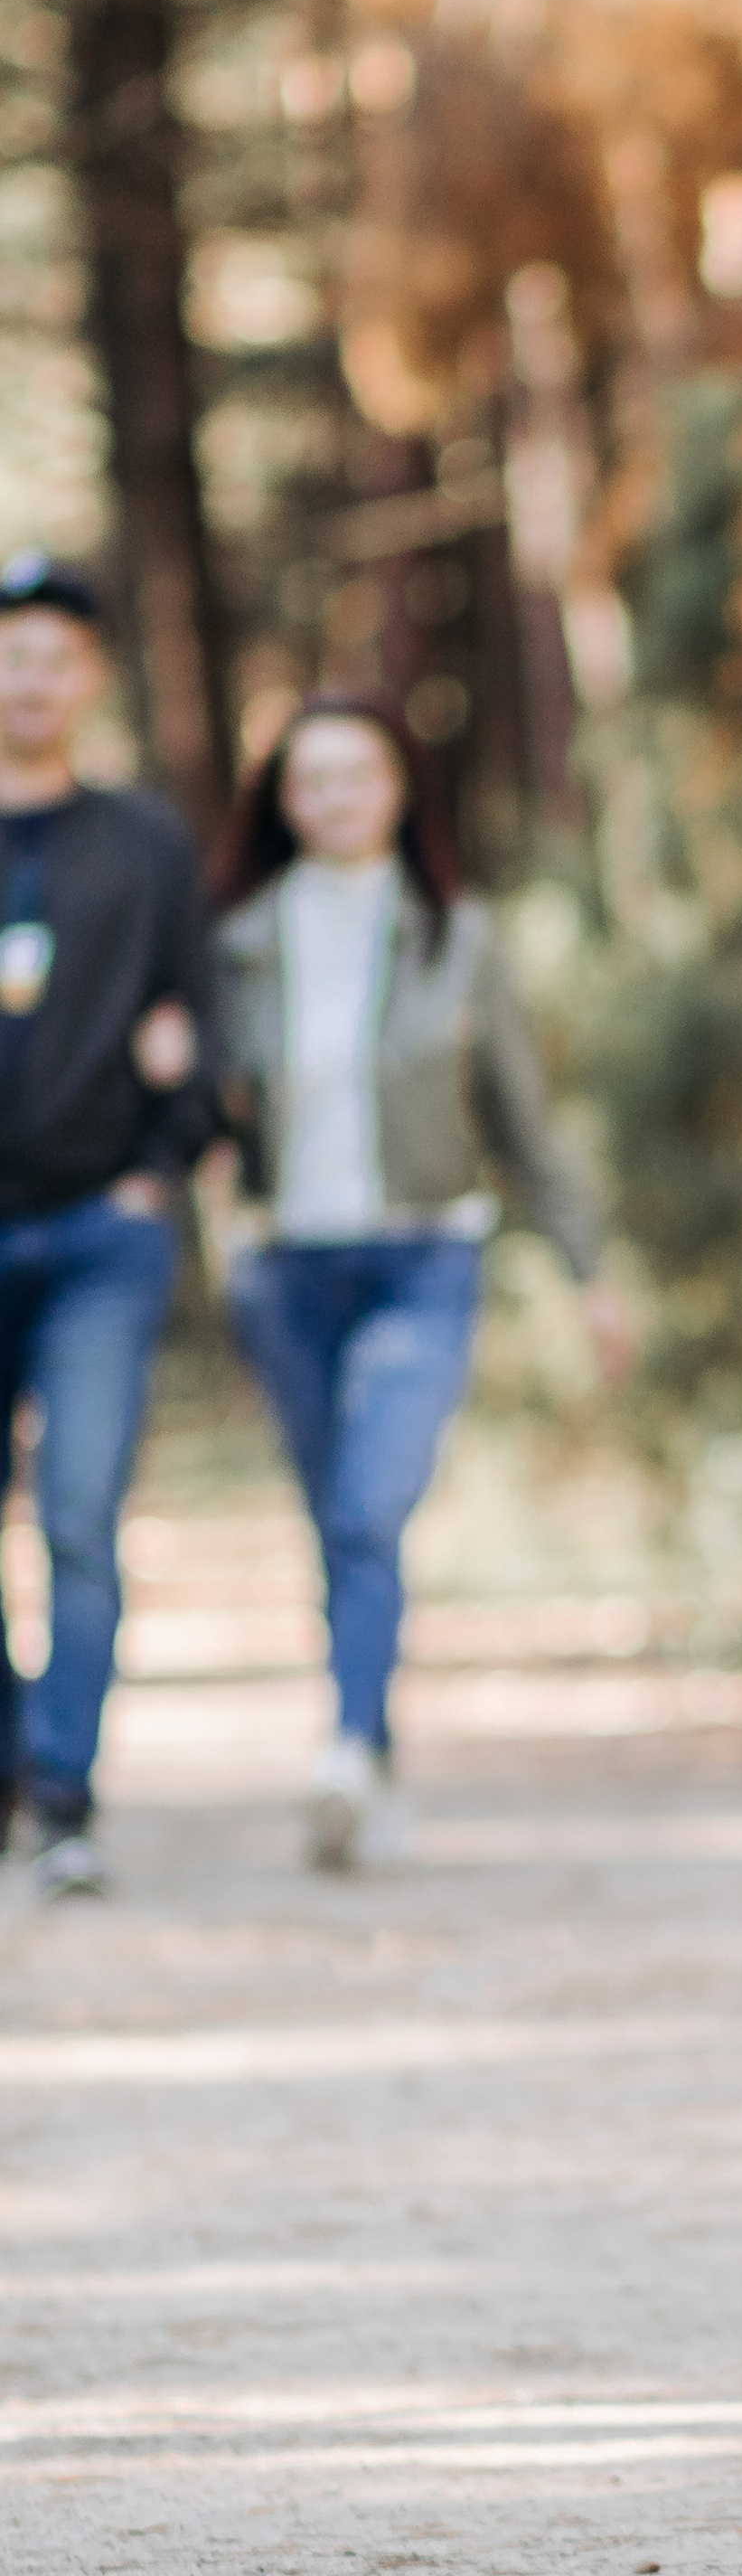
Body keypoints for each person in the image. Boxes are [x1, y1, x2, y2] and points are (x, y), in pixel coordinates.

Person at [211, 695, 629, 1872]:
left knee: (369, 1506)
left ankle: (347, 1749)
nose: (335, 798)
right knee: (335, 1524)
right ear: (283, 802)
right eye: (310, 780)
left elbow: (524, 1124)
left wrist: (589, 1272)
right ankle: (370, 1751)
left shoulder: (459, 938)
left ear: (399, 789)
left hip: (423, 1256)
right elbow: (200, 1106)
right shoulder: (239, 943)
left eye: (358, 774)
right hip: (286, 1263)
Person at [0, 552, 211, 1901]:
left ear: (88, 680)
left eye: (55, 658)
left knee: (78, 1513)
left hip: (100, 1229)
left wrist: (161, 1161)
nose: (29, 678)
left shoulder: (143, 842)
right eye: (11, 653)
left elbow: (199, 1014)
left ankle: (63, 1794)